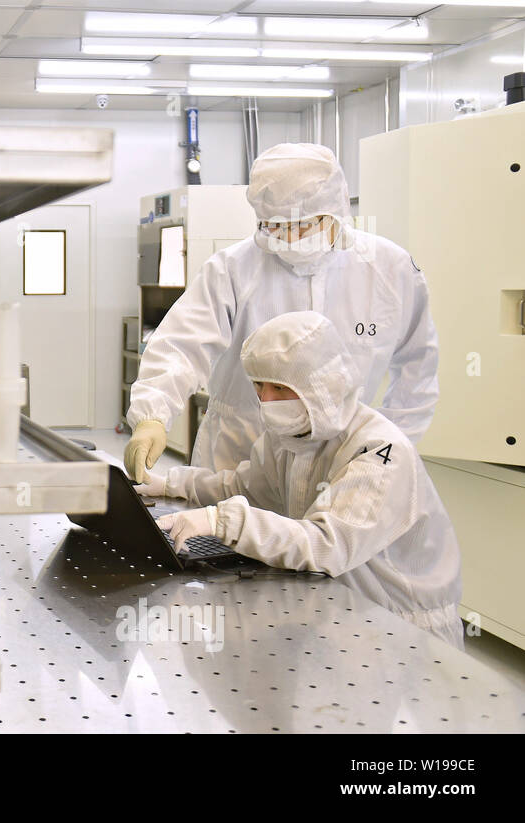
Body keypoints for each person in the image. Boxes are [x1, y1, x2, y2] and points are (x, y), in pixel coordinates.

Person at [136, 311, 464, 649]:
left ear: (322, 386)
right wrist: (170, 484)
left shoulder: (380, 451)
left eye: (280, 387)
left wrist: (223, 521)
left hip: (402, 630)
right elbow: (242, 488)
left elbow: (326, 544)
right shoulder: (292, 435)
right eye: (259, 385)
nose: (267, 400)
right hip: (344, 613)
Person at [124, 143, 439, 482]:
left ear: (335, 210)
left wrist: (388, 449)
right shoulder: (232, 269)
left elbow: (418, 367)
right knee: (223, 533)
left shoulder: (390, 270)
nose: (287, 236)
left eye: (301, 225)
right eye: (274, 225)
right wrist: (152, 414)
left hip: (343, 461)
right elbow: (182, 344)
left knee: (327, 535)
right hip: (238, 455)